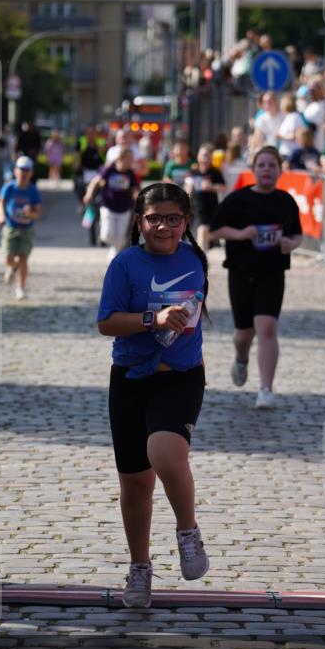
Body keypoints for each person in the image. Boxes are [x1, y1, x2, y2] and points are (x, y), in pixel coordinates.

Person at [96, 182, 210, 608]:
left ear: (186, 221)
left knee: (165, 454)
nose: (163, 226)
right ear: (139, 221)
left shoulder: (194, 259)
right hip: (129, 378)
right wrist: (153, 318)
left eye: (173, 218)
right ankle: (140, 568)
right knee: (135, 483)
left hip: (180, 376)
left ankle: (187, 531)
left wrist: (174, 324)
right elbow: (106, 322)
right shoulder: (124, 265)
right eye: (154, 218)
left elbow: (191, 318)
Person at [209, 146, 302, 409]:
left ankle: (265, 389)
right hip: (240, 270)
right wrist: (241, 234)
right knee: (244, 332)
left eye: (272, 165)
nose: (267, 170)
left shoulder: (286, 201)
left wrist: (289, 244)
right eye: (262, 165)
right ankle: (241, 357)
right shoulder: (237, 199)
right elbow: (214, 231)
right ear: (254, 169)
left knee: (267, 327)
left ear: (279, 171)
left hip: (272, 271)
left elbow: (297, 235)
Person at [0, 155, 42, 300]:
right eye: (21, 170)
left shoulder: (33, 191)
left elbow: (38, 214)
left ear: (31, 173)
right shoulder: (9, 187)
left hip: (27, 229)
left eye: (27, 170)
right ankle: (12, 267)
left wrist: (31, 213)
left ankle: (20, 289)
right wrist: (1, 215)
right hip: (10, 227)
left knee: (23, 258)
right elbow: (0, 203)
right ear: (15, 171)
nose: (23, 173)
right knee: (8, 258)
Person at [83, 146, 139, 262]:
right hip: (108, 206)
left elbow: (135, 189)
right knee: (107, 235)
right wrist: (89, 194)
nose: (130, 162)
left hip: (124, 208)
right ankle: (113, 250)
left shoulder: (130, 173)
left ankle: (113, 261)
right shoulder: (109, 169)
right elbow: (95, 181)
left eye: (131, 159)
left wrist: (137, 196)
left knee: (120, 238)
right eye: (128, 159)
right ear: (120, 158)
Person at [185, 142, 225, 251]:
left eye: (208, 155)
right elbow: (187, 189)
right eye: (203, 155)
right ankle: (203, 260)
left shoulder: (215, 172)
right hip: (196, 209)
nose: (205, 158)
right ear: (198, 156)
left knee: (203, 232)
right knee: (200, 235)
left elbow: (223, 187)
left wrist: (211, 186)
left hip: (210, 208)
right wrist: (189, 188)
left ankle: (202, 260)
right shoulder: (193, 172)